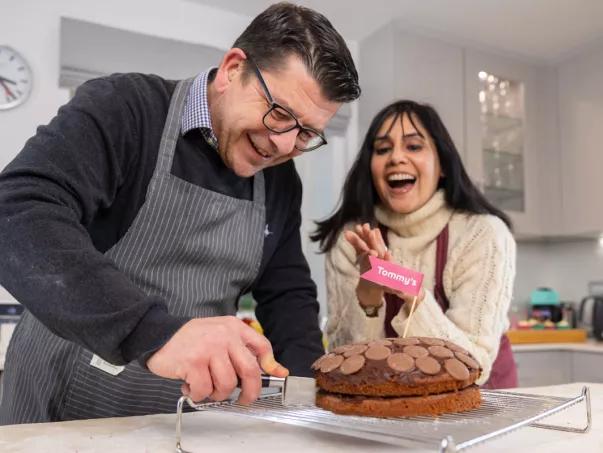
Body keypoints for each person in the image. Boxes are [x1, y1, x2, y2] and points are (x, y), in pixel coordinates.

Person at [0, 2, 360, 424]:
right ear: (231, 69)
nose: (284, 145)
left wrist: (312, 401)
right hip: (59, 392)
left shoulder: (280, 183)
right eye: (279, 114)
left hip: (176, 413)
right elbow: (17, 210)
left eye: (307, 133)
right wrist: (155, 332)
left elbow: (287, 295)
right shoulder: (127, 109)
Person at [312, 100, 517, 388]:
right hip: (386, 407)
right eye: (382, 149)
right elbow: (346, 368)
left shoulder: (482, 234)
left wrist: (412, 291)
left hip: (482, 405)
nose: (396, 157)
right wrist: (369, 297)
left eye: (413, 146)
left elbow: (475, 364)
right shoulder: (351, 239)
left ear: (443, 164)